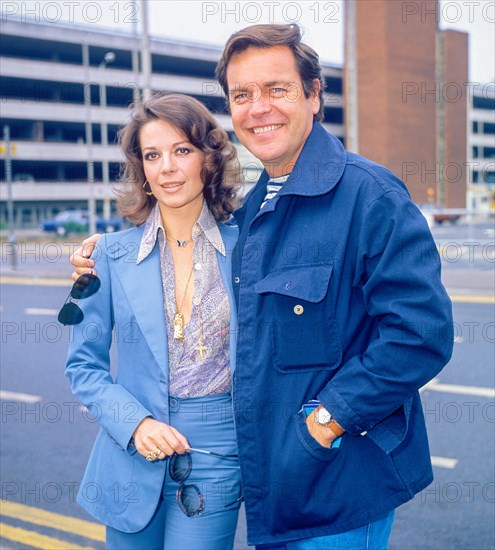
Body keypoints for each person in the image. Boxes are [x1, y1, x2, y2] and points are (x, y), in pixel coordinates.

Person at [71, 24, 454, 550]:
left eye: (277, 89)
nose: (259, 108)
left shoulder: (371, 196)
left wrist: (325, 423)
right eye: (242, 95)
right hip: (278, 488)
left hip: (338, 484)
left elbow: (421, 335)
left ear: (314, 95)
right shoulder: (255, 215)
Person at [63, 93, 243, 550]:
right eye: (152, 155)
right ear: (141, 169)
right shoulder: (106, 256)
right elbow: (83, 366)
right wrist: (136, 424)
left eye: (182, 150)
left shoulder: (249, 248)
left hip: (217, 452)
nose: (167, 167)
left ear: (209, 158)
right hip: (129, 452)